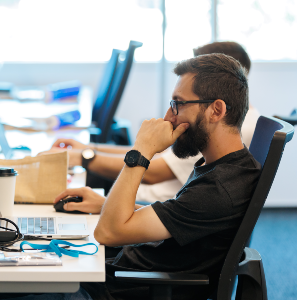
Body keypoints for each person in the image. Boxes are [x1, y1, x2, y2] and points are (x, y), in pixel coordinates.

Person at [0, 53, 261, 300]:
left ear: (216, 110)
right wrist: (105, 205)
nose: (169, 116)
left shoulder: (219, 188)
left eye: (178, 104)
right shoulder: (225, 166)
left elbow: (108, 231)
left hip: (113, 291)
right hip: (111, 273)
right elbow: (178, 219)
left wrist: (142, 151)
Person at [45, 41, 260, 209]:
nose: (168, 116)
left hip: (150, 198)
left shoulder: (223, 132)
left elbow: (153, 171)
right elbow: (158, 158)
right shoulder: (234, 122)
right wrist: (88, 150)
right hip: (156, 208)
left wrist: (86, 158)